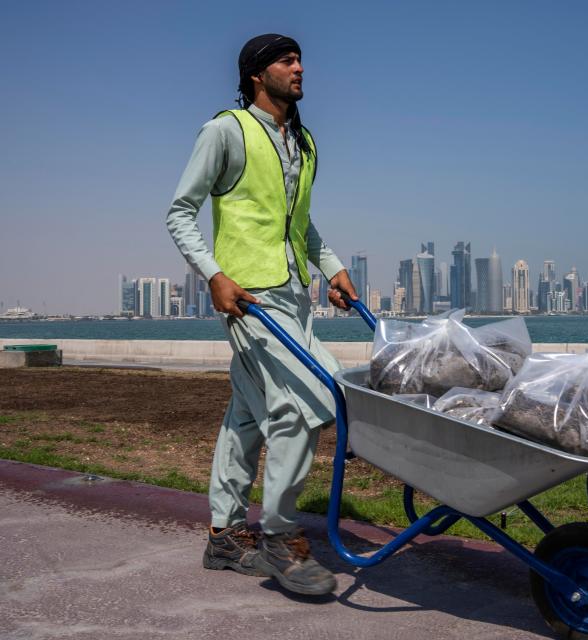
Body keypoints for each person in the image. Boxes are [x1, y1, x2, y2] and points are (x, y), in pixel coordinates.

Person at [166, 33, 358, 596]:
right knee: (306, 402)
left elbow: (299, 222)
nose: (300, 68)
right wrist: (214, 274)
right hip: (248, 296)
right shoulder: (225, 130)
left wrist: (332, 269)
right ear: (257, 74)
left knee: (246, 417)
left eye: (300, 59)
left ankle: (225, 535)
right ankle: (277, 536)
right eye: (286, 60)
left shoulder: (304, 141)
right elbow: (180, 212)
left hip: (293, 294)